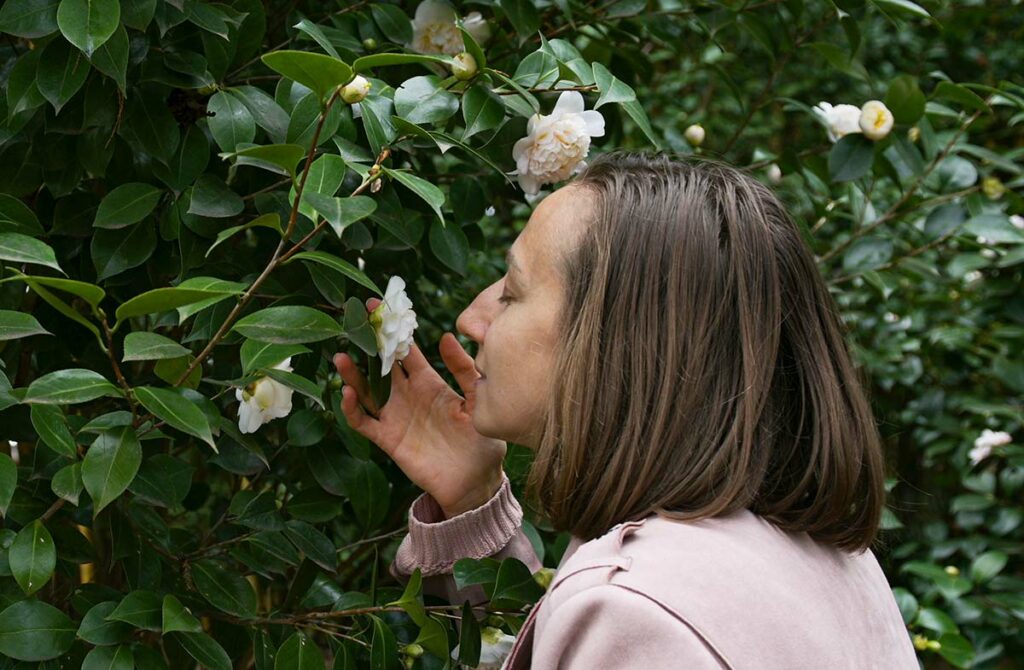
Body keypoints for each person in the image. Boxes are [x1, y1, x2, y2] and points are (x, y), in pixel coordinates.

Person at [332, 152, 918, 669]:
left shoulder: (634, 611)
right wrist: (475, 507)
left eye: (512, 291)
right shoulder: (831, 558)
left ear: (618, 341)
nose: (472, 319)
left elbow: (643, 628)